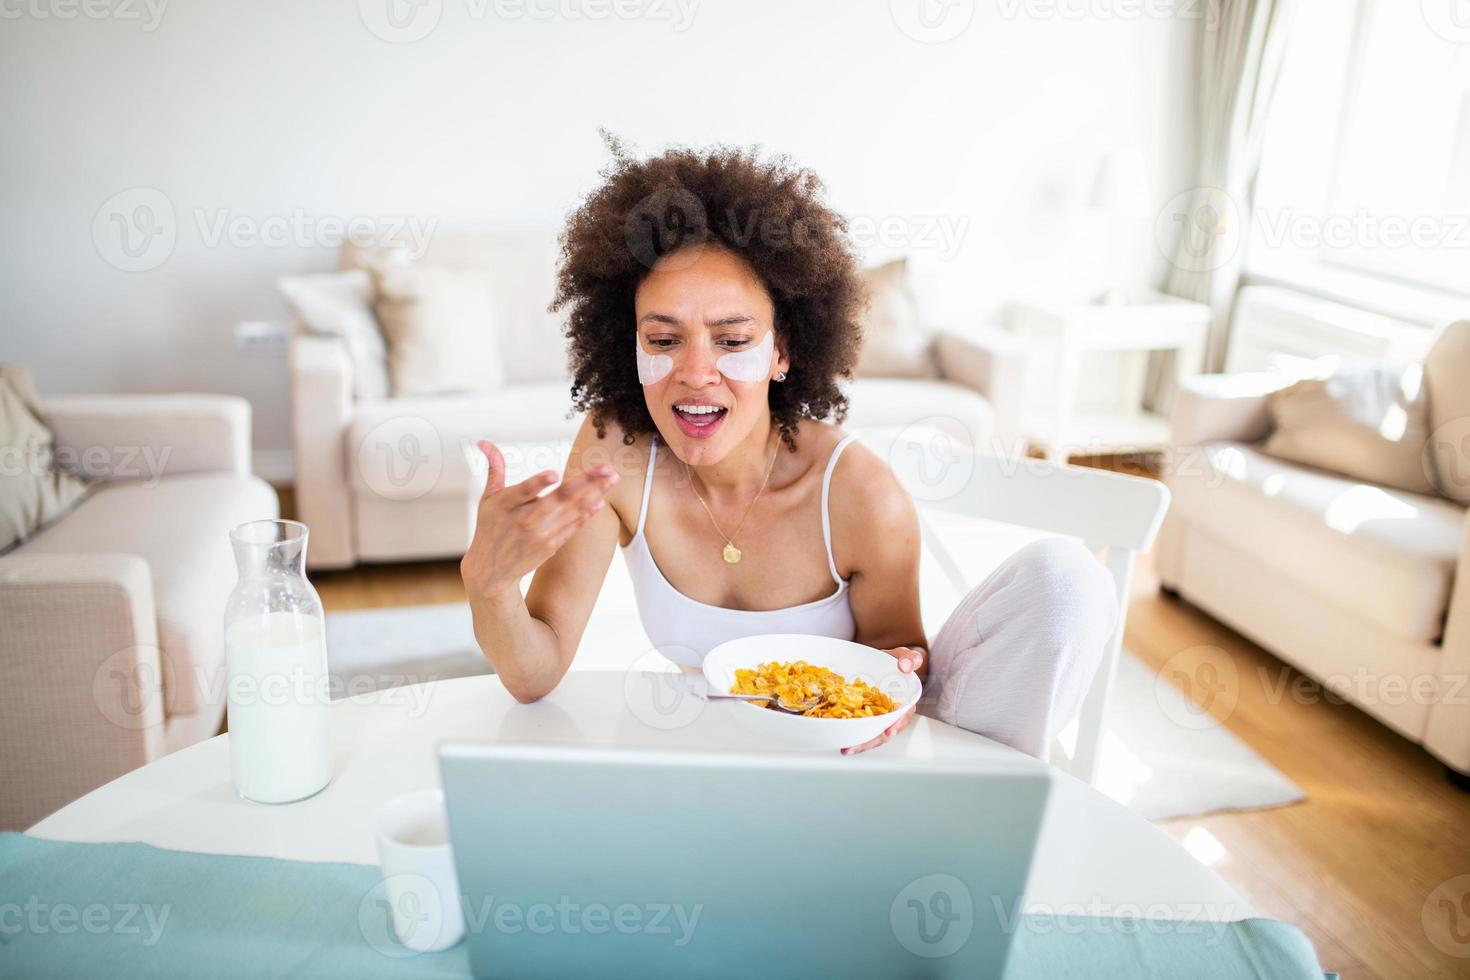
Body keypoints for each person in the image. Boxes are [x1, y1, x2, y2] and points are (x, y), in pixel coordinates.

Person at [462, 141, 1117, 756]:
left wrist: (892, 681)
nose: (694, 371)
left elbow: (895, 673)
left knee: (1068, 580)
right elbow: (534, 675)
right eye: (663, 340)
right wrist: (488, 584)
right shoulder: (619, 452)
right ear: (627, 345)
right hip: (709, 760)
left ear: (782, 351)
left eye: (732, 339)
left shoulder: (861, 495)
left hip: (840, 761)